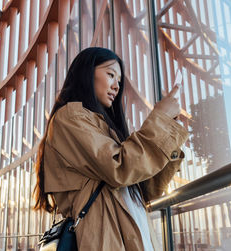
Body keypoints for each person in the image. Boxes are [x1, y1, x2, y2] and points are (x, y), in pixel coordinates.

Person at [34, 47, 188, 250]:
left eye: (119, 81)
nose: (116, 86)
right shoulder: (70, 117)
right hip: (106, 238)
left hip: (134, 236)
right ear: (87, 73)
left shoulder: (105, 130)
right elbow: (120, 168)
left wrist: (168, 133)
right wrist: (159, 120)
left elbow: (147, 189)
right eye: (110, 75)